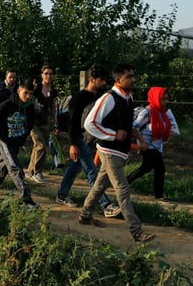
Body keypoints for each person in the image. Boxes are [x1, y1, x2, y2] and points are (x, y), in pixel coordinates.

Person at [80, 62, 155, 243]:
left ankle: (85, 215)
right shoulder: (109, 98)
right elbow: (90, 123)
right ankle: (136, 231)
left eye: (133, 76)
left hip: (118, 151)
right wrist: (113, 135)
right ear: (118, 79)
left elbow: (126, 126)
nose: (133, 79)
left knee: (100, 185)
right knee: (122, 188)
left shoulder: (128, 98)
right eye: (129, 76)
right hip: (109, 150)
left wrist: (137, 138)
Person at [55, 64, 121, 218]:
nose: (104, 83)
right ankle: (106, 205)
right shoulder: (78, 98)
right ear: (92, 79)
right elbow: (72, 123)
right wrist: (72, 144)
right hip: (80, 138)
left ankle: (62, 194)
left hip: (91, 138)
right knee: (92, 172)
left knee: (74, 167)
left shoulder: (101, 96)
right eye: (101, 80)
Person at [0, 79, 39, 208]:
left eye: (31, 94)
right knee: (14, 167)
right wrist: (1, 136)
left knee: (3, 167)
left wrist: (22, 137)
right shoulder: (8, 104)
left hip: (16, 141)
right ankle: (26, 197)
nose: (28, 96)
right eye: (26, 93)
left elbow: (30, 123)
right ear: (19, 90)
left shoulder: (29, 106)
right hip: (5, 140)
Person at [127, 87, 180, 200]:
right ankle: (159, 195)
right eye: (163, 99)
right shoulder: (147, 112)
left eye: (167, 99)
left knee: (145, 168)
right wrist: (141, 141)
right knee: (160, 168)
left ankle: (124, 183)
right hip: (147, 146)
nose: (166, 101)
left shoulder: (162, 113)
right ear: (156, 98)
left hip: (157, 145)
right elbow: (133, 127)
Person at [26, 65, 58, 184]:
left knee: (38, 147)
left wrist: (55, 120)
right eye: (46, 73)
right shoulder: (36, 88)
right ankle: (37, 172)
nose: (48, 76)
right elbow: (26, 98)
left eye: (50, 73)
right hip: (33, 122)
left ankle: (30, 171)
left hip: (44, 122)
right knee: (41, 145)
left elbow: (53, 107)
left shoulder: (53, 91)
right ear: (42, 75)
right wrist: (32, 90)